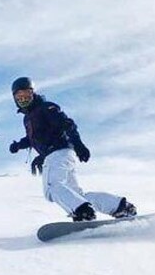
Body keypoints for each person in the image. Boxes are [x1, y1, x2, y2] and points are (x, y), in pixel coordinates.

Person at [8, 77, 137, 221]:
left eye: (26, 93)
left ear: (33, 93)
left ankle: (82, 212)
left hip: (57, 153)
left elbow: (67, 124)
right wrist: (18, 145)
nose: (23, 98)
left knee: (53, 188)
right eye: (19, 96)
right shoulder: (28, 118)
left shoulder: (45, 108)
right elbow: (33, 138)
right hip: (61, 154)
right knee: (76, 195)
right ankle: (119, 206)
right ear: (15, 98)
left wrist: (78, 143)